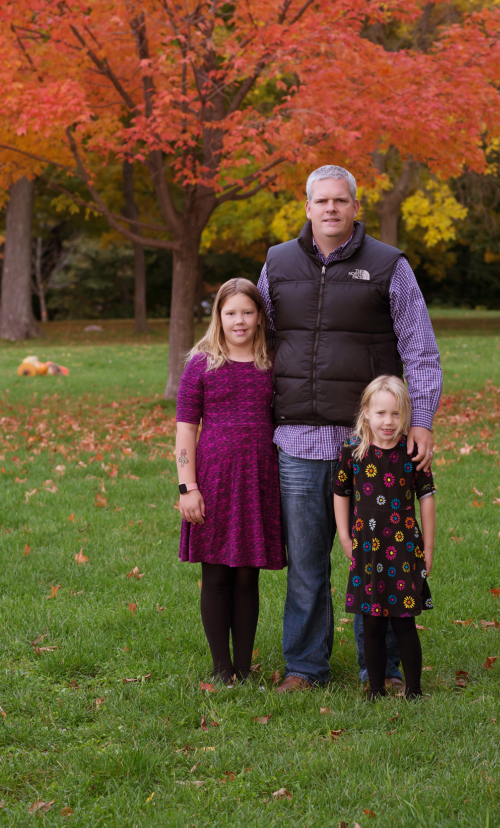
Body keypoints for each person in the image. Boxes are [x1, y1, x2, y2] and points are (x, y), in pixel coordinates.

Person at [257, 164, 442, 692]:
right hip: (297, 441)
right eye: (322, 201)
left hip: (369, 446)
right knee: (308, 566)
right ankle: (305, 667)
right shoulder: (278, 262)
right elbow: (256, 338)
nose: (331, 209)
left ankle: (378, 669)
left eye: (342, 200)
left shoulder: (388, 265)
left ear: (355, 207)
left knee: (376, 558)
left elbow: (420, 349)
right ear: (307, 206)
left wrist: (422, 420)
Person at [176, 277, 286, 685]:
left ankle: (244, 664)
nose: (239, 321)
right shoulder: (201, 364)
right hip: (214, 480)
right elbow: (186, 429)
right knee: (218, 574)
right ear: (218, 318)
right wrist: (187, 486)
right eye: (230, 313)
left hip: (259, 480)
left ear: (260, 318)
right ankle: (222, 669)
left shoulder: (273, 364)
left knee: (247, 574)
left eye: (247, 312)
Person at [334, 375, 436, 700]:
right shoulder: (353, 451)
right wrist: (344, 537)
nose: (388, 422)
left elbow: (427, 499)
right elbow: (341, 493)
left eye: (395, 414)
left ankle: (414, 689)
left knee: (404, 622)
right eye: (381, 413)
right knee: (372, 624)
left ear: (404, 415)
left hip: (404, 549)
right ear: (366, 413)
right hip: (368, 550)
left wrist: (428, 548)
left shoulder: (412, 453)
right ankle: (375, 688)